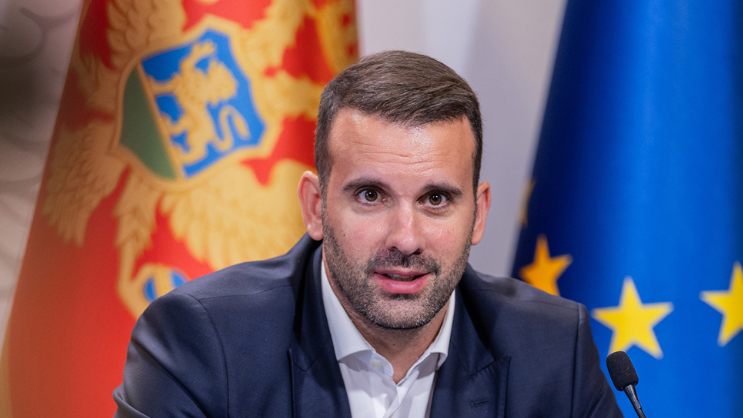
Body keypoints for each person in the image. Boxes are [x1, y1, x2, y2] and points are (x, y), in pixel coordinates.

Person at [114, 50, 621, 417]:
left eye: (436, 199)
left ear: (479, 213)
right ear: (316, 207)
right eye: (371, 196)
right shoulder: (202, 342)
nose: (406, 238)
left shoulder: (552, 350)